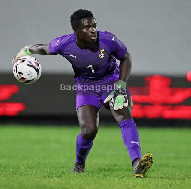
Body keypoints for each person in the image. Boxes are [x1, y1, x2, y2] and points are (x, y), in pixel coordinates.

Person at [13, 9, 153, 178]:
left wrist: (121, 85)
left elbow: (126, 58)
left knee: (122, 112)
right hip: (86, 87)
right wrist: (25, 51)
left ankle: (137, 162)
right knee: (89, 131)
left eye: (94, 26)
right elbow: (43, 48)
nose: (93, 30)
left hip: (111, 81)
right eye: (87, 28)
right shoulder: (64, 44)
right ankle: (79, 163)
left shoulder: (108, 39)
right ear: (77, 32)